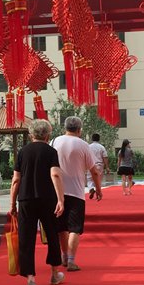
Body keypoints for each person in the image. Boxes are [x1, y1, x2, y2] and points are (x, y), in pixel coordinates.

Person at [10, 119, 65, 285]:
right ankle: (55, 274)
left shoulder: (23, 152)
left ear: (31, 135)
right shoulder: (51, 151)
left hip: (26, 199)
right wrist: (60, 199)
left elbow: (16, 179)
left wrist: (12, 203)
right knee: (52, 234)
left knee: (26, 237)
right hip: (47, 199)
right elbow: (55, 174)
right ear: (47, 135)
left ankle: (30, 278)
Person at [52, 116, 101, 272]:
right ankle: (71, 261)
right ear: (79, 129)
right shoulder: (83, 145)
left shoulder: (54, 142)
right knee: (74, 228)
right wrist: (98, 189)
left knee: (61, 227)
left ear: (65, 127)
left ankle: (64, 256)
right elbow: (94, 171)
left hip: (57, 191)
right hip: (76, 192)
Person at [86, 132, 109, 199]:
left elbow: (86, 156)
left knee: (89, 179)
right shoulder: (101, 147)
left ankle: (91, 188)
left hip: (90, 164)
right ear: (99, 139)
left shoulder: (88, 147)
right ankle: (97, 193)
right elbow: (105, 157)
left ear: (92, 139)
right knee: (98, 180)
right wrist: (107, 167)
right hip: (99, 165)